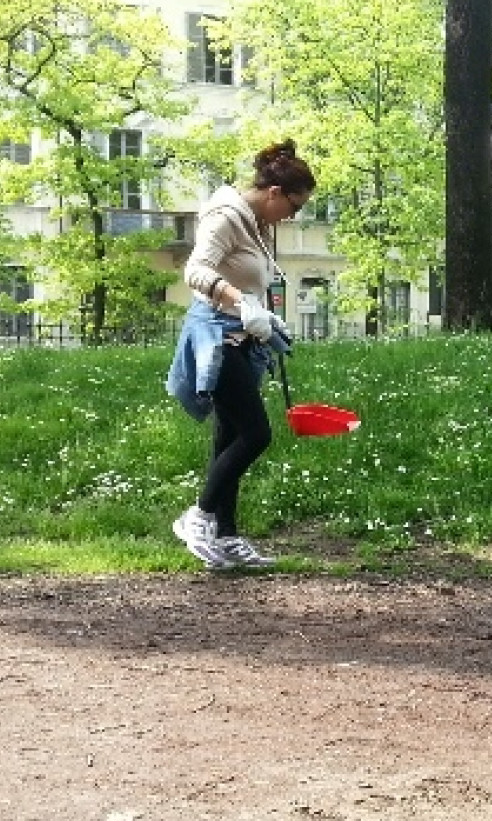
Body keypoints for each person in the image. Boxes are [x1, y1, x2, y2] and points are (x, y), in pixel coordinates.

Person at [164, 140, 315, 570]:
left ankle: (226, 537)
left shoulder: (258, 226)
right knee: (255, 434)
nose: (292, 217)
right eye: (294, 207)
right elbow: (195, 270)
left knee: (229, 437)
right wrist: (241, 303)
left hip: (243, 339)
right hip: (216, 337)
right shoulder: (227, 216)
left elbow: (249, 279)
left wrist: (262, 314)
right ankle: (198, 517)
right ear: (274, 192)